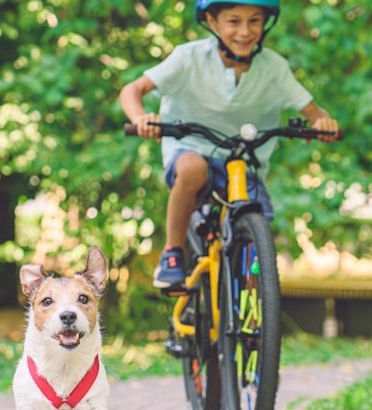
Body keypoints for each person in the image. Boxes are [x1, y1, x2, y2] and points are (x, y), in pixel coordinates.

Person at [119, 0, 341, 289]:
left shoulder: (274, 67)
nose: (245, 31)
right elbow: (132, 90)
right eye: (233, 21)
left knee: (256, 225)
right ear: (213, 22)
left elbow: (314, 113)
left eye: (255, 21)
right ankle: (173, 253)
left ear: (265, 23)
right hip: (192, 147)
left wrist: (323, 123)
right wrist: (140, 118)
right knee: (192, 167)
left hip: (242, 159)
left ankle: (253, 310)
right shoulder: (189, 57)